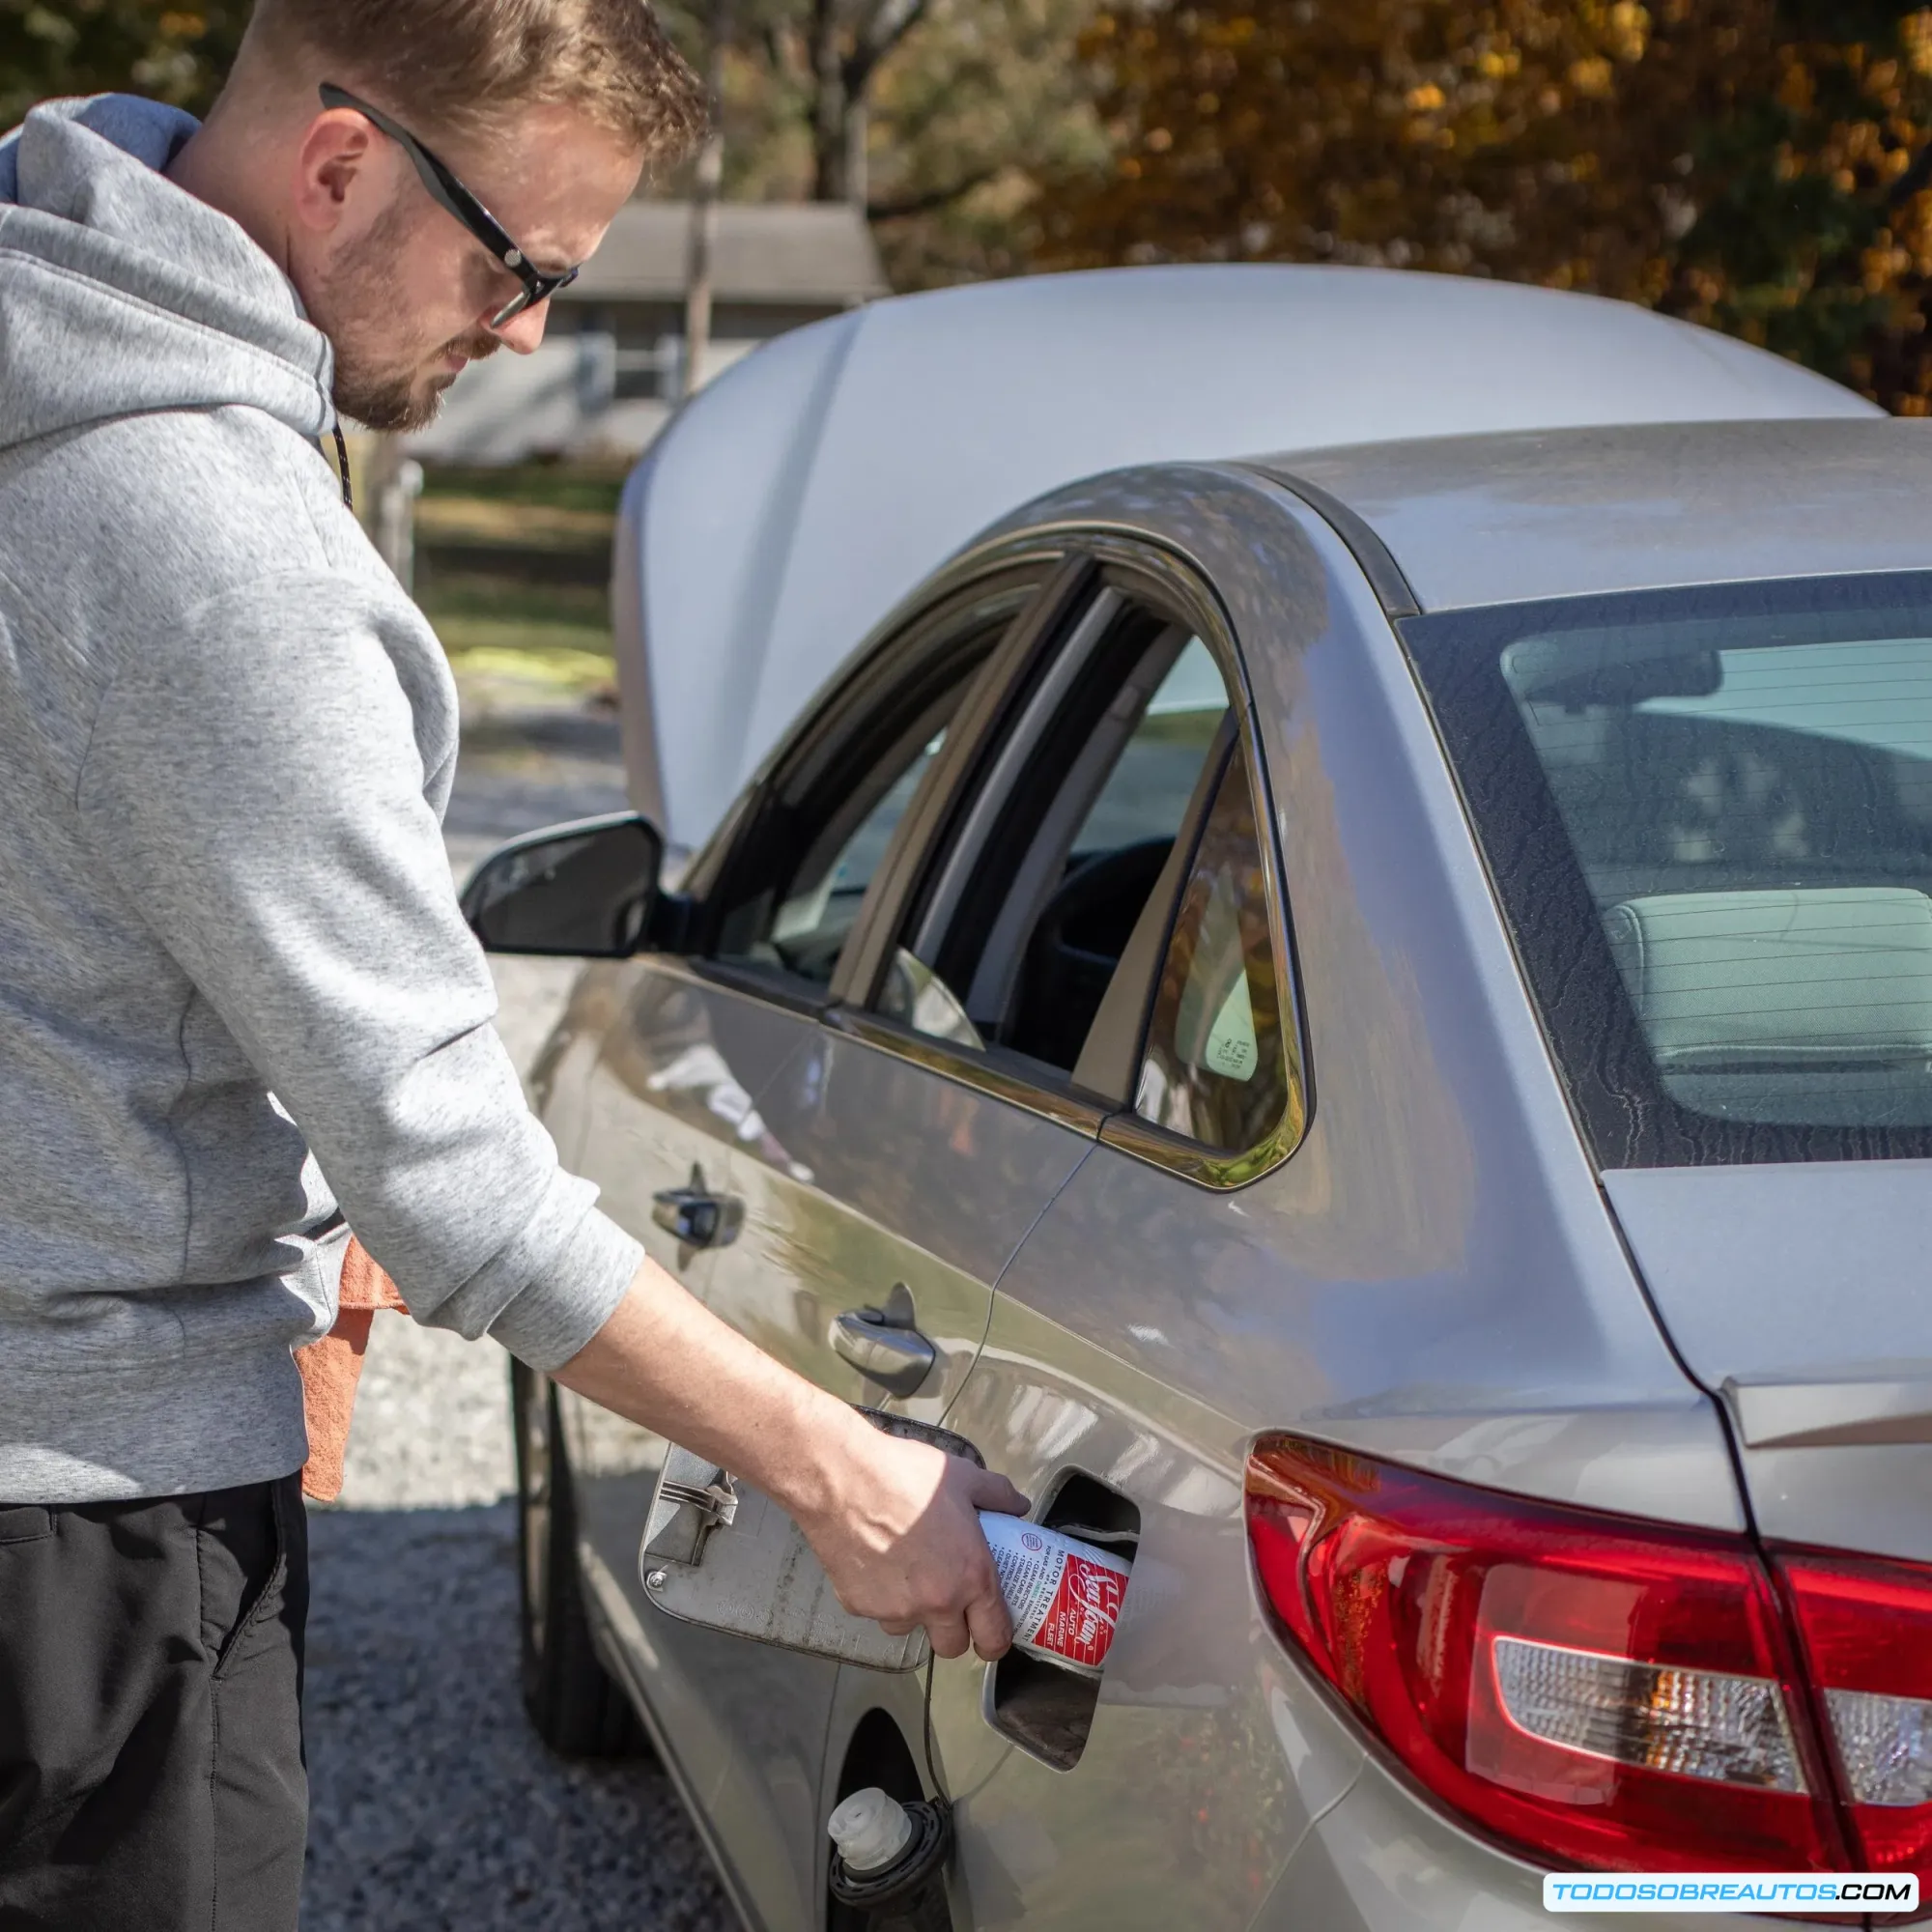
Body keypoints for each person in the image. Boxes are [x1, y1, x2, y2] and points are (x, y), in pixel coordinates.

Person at [0, 4, 1024, 1926]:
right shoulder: (225, 560)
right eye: (523, 268)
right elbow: (458, 1188)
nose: (532, 333)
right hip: (79, 1553)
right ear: (337, 166)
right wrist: (840, 1472)